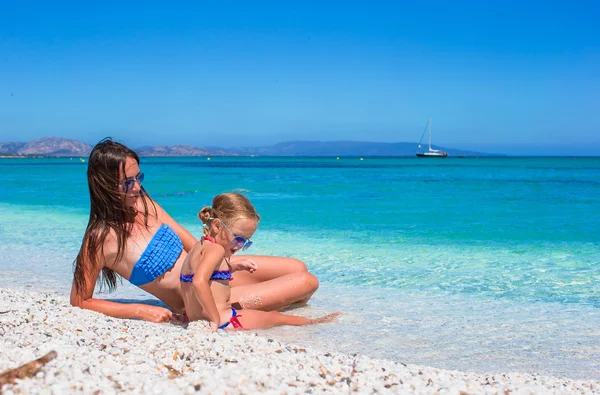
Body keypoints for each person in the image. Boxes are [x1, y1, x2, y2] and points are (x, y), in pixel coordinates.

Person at [70, 138, 319, 322]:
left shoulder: (145, 204)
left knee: (296, 267)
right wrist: (139, 310)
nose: (136, 188)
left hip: (213, 269)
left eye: (139, 178)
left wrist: (227, 260)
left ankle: (269, 308)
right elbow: (80, 300)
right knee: (307, 282)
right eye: (127, 183)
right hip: (200, 297)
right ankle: (256, 312)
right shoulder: (100, 239)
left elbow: (193, 245)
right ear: (103, 185)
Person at [181, 192, 340, 330]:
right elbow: (199, 282)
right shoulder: (217, 250)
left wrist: (234, 267)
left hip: (196, 318)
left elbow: (208, 277)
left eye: (245, 241)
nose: (239, 245)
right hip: (226, 320)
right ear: (217, 225)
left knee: (273, 317)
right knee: (276, 317)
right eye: (237, 238)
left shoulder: (199, 247)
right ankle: (314, 322)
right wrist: (215, 319)